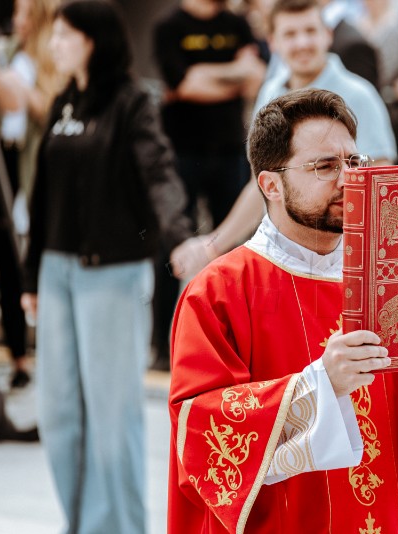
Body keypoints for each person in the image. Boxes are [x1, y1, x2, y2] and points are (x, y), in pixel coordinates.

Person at [167, 88, 398, 533]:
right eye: (325, 166)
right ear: (270, 185)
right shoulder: (220, 290)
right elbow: (201, 429)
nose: (349, 179)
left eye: (353, 162)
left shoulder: (394, 279)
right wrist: (319, 386)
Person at [20, 1, 191, 532]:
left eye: (64, 35)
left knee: (112, 418)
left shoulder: (131, 101)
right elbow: (43, 192)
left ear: (92, 39)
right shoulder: (64, 103)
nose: (54, 44)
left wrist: (179, 238)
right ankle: (79, 523)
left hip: (112, 275)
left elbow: (158, 169)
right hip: (56, 270)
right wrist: (30, 278)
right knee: (60, 413)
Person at [168, 0, 396, 280]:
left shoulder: (360, 95)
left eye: (310, 31)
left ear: (327, 34)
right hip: (284, 261)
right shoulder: (271, 92)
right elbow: (261, 184)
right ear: (273, 41)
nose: (302, 42)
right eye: (290, 34)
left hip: (344, 262)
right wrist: (214, 245)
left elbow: (381, 181)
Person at [152, 0, 266, 370]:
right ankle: (162, 347)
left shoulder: (237, 24)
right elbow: (183, 84)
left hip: (230, 149)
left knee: (235, 247)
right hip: (182, 150)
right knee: (174, 247)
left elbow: (255, 78)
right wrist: (232, 74)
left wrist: (206, 75)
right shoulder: (169, 25)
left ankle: (233, 342)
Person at [0, 0, 62, 388]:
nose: (16, 19)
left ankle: (33, 354)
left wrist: (20, 90)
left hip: (30, 163)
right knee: (5, 256)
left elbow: (49, 108)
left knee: (26, 255)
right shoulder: (7, 50)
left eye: (24, 12)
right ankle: (17, 355)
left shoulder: (53, 56)